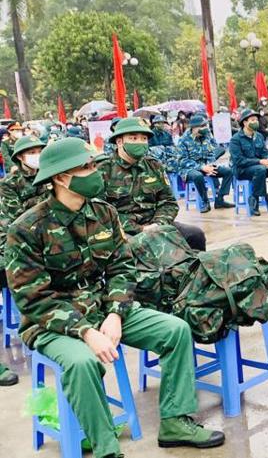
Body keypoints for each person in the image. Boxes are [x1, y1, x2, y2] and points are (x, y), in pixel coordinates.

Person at [6, 137, 225, 458]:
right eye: (87, 167)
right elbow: (34, 299)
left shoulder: (104, 214)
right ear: (61, 177)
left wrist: (116, 313)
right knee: (81, 363)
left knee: (175, 330)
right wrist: (86, 331)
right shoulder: (27, 228)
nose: (96, 172)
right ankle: (107, 449)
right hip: (53, 323)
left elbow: (123, 269)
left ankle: (175, 420)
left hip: (105, 308)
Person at [98, 117, 207, 251]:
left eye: (144, 139)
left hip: (157, 224)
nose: (140, 142)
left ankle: (193, 270)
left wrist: (158, 224)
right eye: (133, 138)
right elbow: (101, 212)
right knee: (137, 248)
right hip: (124, 229)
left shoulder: (154, 166)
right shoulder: (103, 169)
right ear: (119, 142)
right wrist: (139, 229)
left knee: (195, 235)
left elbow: (168, 202)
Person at [0, 135, 49, 387]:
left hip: (52, 242)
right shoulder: (10, 184)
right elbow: (13, 224)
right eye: (31, 151)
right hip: (20, 244)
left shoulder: (52, 174)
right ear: (19, 157)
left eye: (40, 150)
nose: (36, 155)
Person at [175, 114, 234, 213]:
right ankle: (205, 201)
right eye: (202, 126)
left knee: (228, 171)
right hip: (189, 169)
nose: (205, 128)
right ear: (194, 128)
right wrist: (201, 167)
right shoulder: (183, 141)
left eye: (205, 125)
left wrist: (210, 165)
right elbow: (182, 161)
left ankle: (220, 199)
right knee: (197, 176)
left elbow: (212, 151)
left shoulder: (206, 135)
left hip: (206, 165)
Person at [229, 109, 268, 216]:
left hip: (259, 168)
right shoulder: (236, 139)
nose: (256, 122)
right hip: (242, 170)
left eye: (256, 120)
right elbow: (239, 161)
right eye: (252, 120)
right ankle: (254, 199)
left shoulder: (259, 136)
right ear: (245, 122)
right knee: (260, 169)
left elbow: (265, 152)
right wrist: (260, 161)